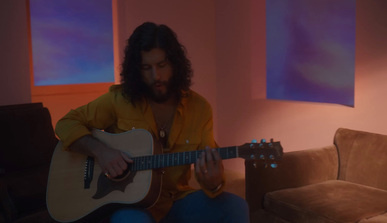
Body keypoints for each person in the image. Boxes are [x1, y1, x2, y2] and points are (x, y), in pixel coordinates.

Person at [55, 22, 249, 223]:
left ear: (175, 64)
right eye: (146, 68)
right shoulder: (119, 100)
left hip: (177, 202)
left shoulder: (199, 108)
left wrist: (214, 183)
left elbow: (209, 164)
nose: (156, 76)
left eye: (162, 65)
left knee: (235, 206)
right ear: (136, 70)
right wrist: (101, 152)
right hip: (131, 206)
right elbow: (66, 123)